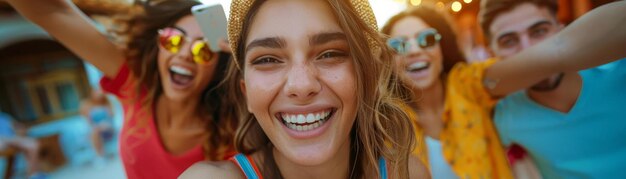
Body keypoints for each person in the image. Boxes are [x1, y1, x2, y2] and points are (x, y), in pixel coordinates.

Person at [180, 0, 429, 178]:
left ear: (366, 76)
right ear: (247, 93)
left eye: (330, 54)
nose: (301, 85)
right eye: (267, 59)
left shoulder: (407, 172)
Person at [382, 1, 626, 178]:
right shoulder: (385, 125)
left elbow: (560, 53)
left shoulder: (470, 87)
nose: (414, 50)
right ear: (387, 58)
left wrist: (560, 47)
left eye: (426, 39)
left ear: (441, 47)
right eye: (398, 45)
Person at [5, 0, 238, 178]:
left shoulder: (232, 132)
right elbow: (53, 11)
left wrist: (244, 64)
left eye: (203, 50)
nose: (185, 54)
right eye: (173, 40)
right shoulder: (135, 84)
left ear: (218, 66)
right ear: (159, 47)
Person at [479, 0, 626, 178]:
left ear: (561, 31)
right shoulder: (503, 116)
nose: (529, 50)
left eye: (539, 31)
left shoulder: (619, 75)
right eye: (509, 41)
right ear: (491, 56)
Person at [0, 112, 45, 179]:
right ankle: (33, 175)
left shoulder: (3, 117)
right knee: (32, 144)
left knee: (33, 145)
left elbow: (15, 126)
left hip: (11, 139)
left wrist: (20, 128)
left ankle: (33, 174)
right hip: (5, 141)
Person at [79, 90, 115, 158]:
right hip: (96, 129)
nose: (98, 95)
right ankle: (100, 154)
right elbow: (88, 122)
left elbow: (111, 119)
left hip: (108, 128)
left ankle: (100, 155)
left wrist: (104, 125)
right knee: (95, 132)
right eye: (96, 93)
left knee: (95, 132)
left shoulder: (107, 104)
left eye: (100, 93)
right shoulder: (88, 106)